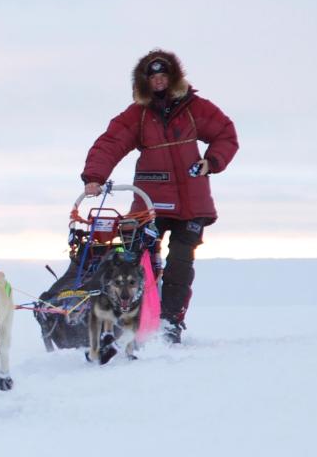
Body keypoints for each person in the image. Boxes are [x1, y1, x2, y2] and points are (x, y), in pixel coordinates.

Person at [80, 49, 239, 344]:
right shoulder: (137, 115)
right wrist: (94, 177)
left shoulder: (196, 109)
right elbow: (111, 143)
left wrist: (211, 161)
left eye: (164, 76)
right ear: (144, 82)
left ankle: (170, 322)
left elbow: (226, 134)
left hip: (192, 204)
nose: (159, 81)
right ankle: (133, 318)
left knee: (180, 262)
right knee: (137, 259)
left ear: (174, 77)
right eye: (153, 77)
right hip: (149, 202)